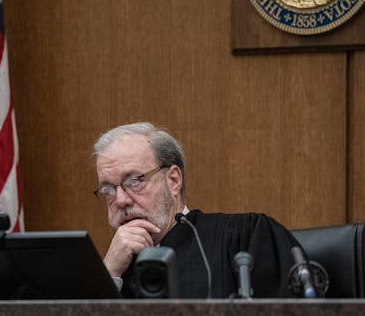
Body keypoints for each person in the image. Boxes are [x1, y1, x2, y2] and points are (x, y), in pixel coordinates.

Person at [93, 122, 301, 298]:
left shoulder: (244, 236)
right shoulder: (118, 267)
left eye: (135, 181)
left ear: (173, 180)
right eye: (108, 189)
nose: (120, 200)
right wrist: (107, 274)